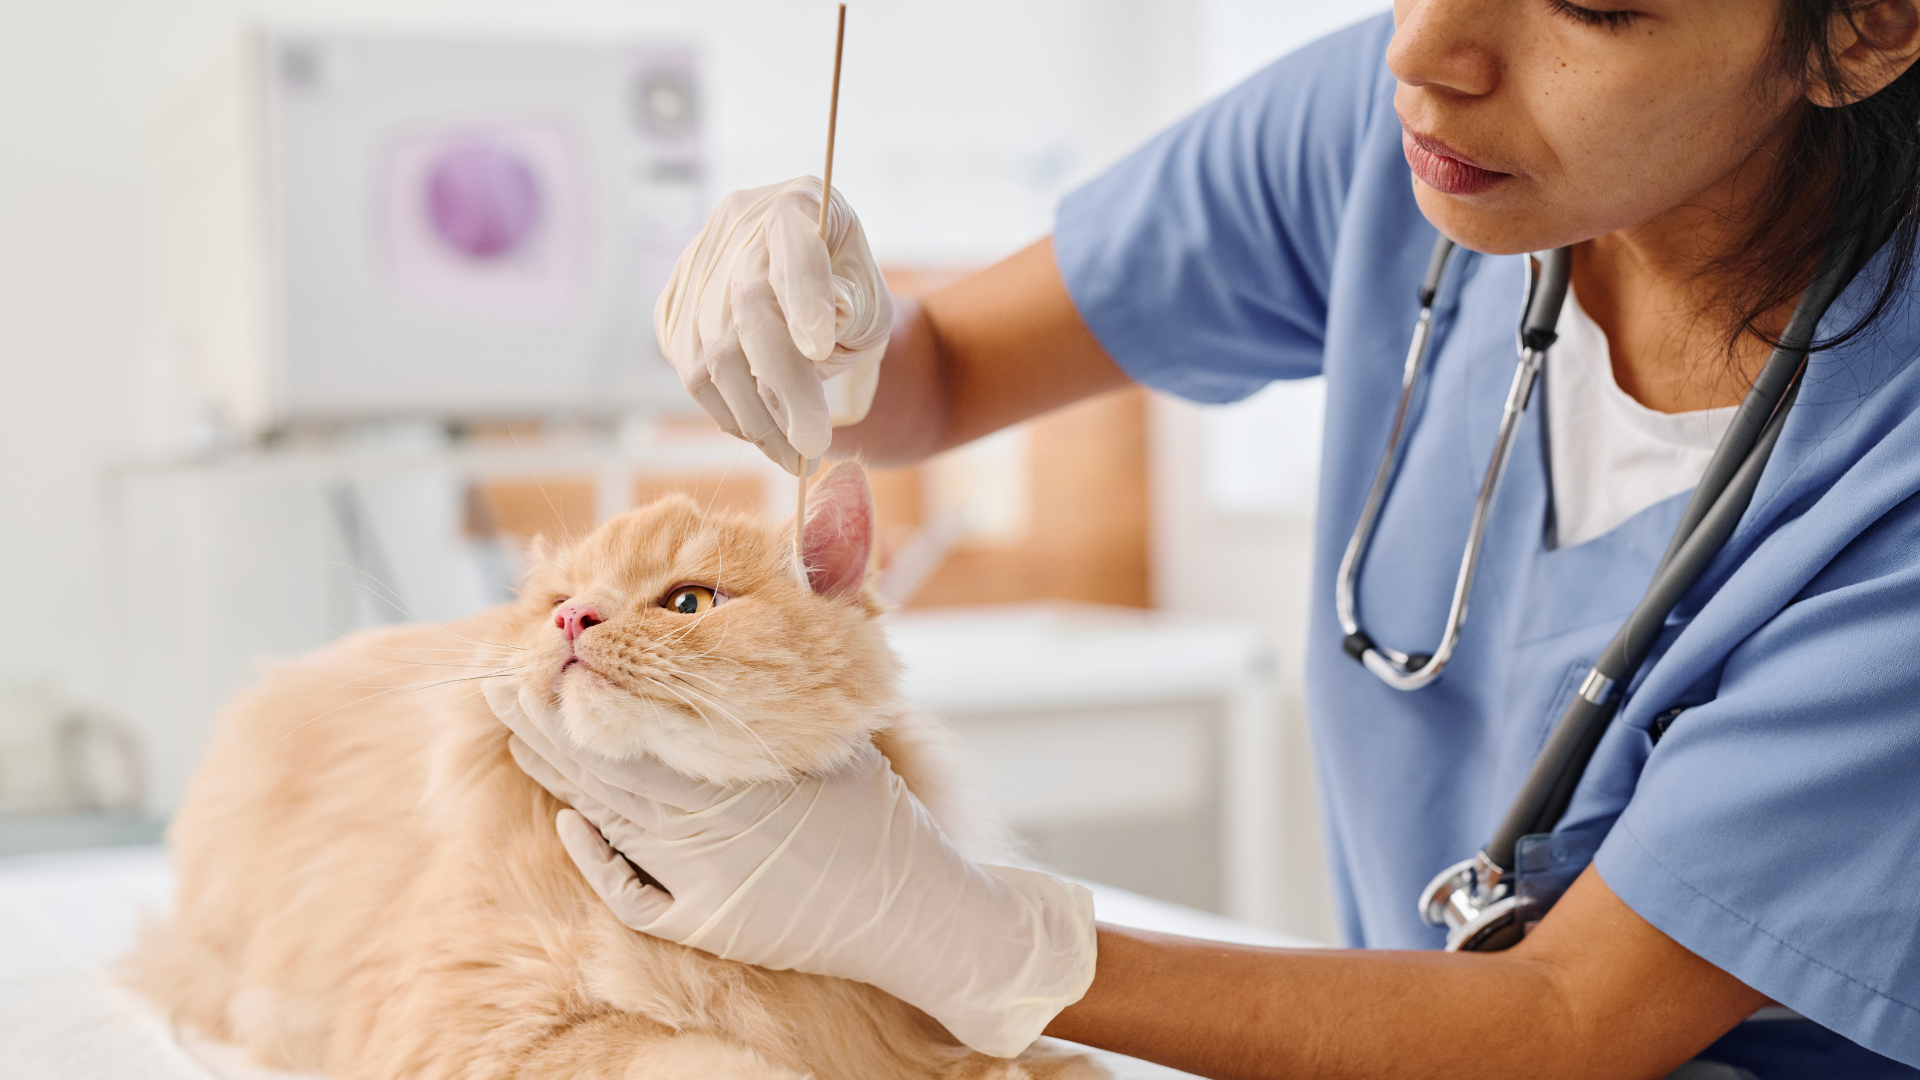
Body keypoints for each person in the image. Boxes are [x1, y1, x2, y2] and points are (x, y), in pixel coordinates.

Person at [500, 1, 1920, 1076]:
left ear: (1861, 32)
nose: (1425, 55)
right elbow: (939, 378)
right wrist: (823, 316)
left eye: (1594, 4)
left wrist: (980, 941)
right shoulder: (1402, 137)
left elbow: (1567, 1016)